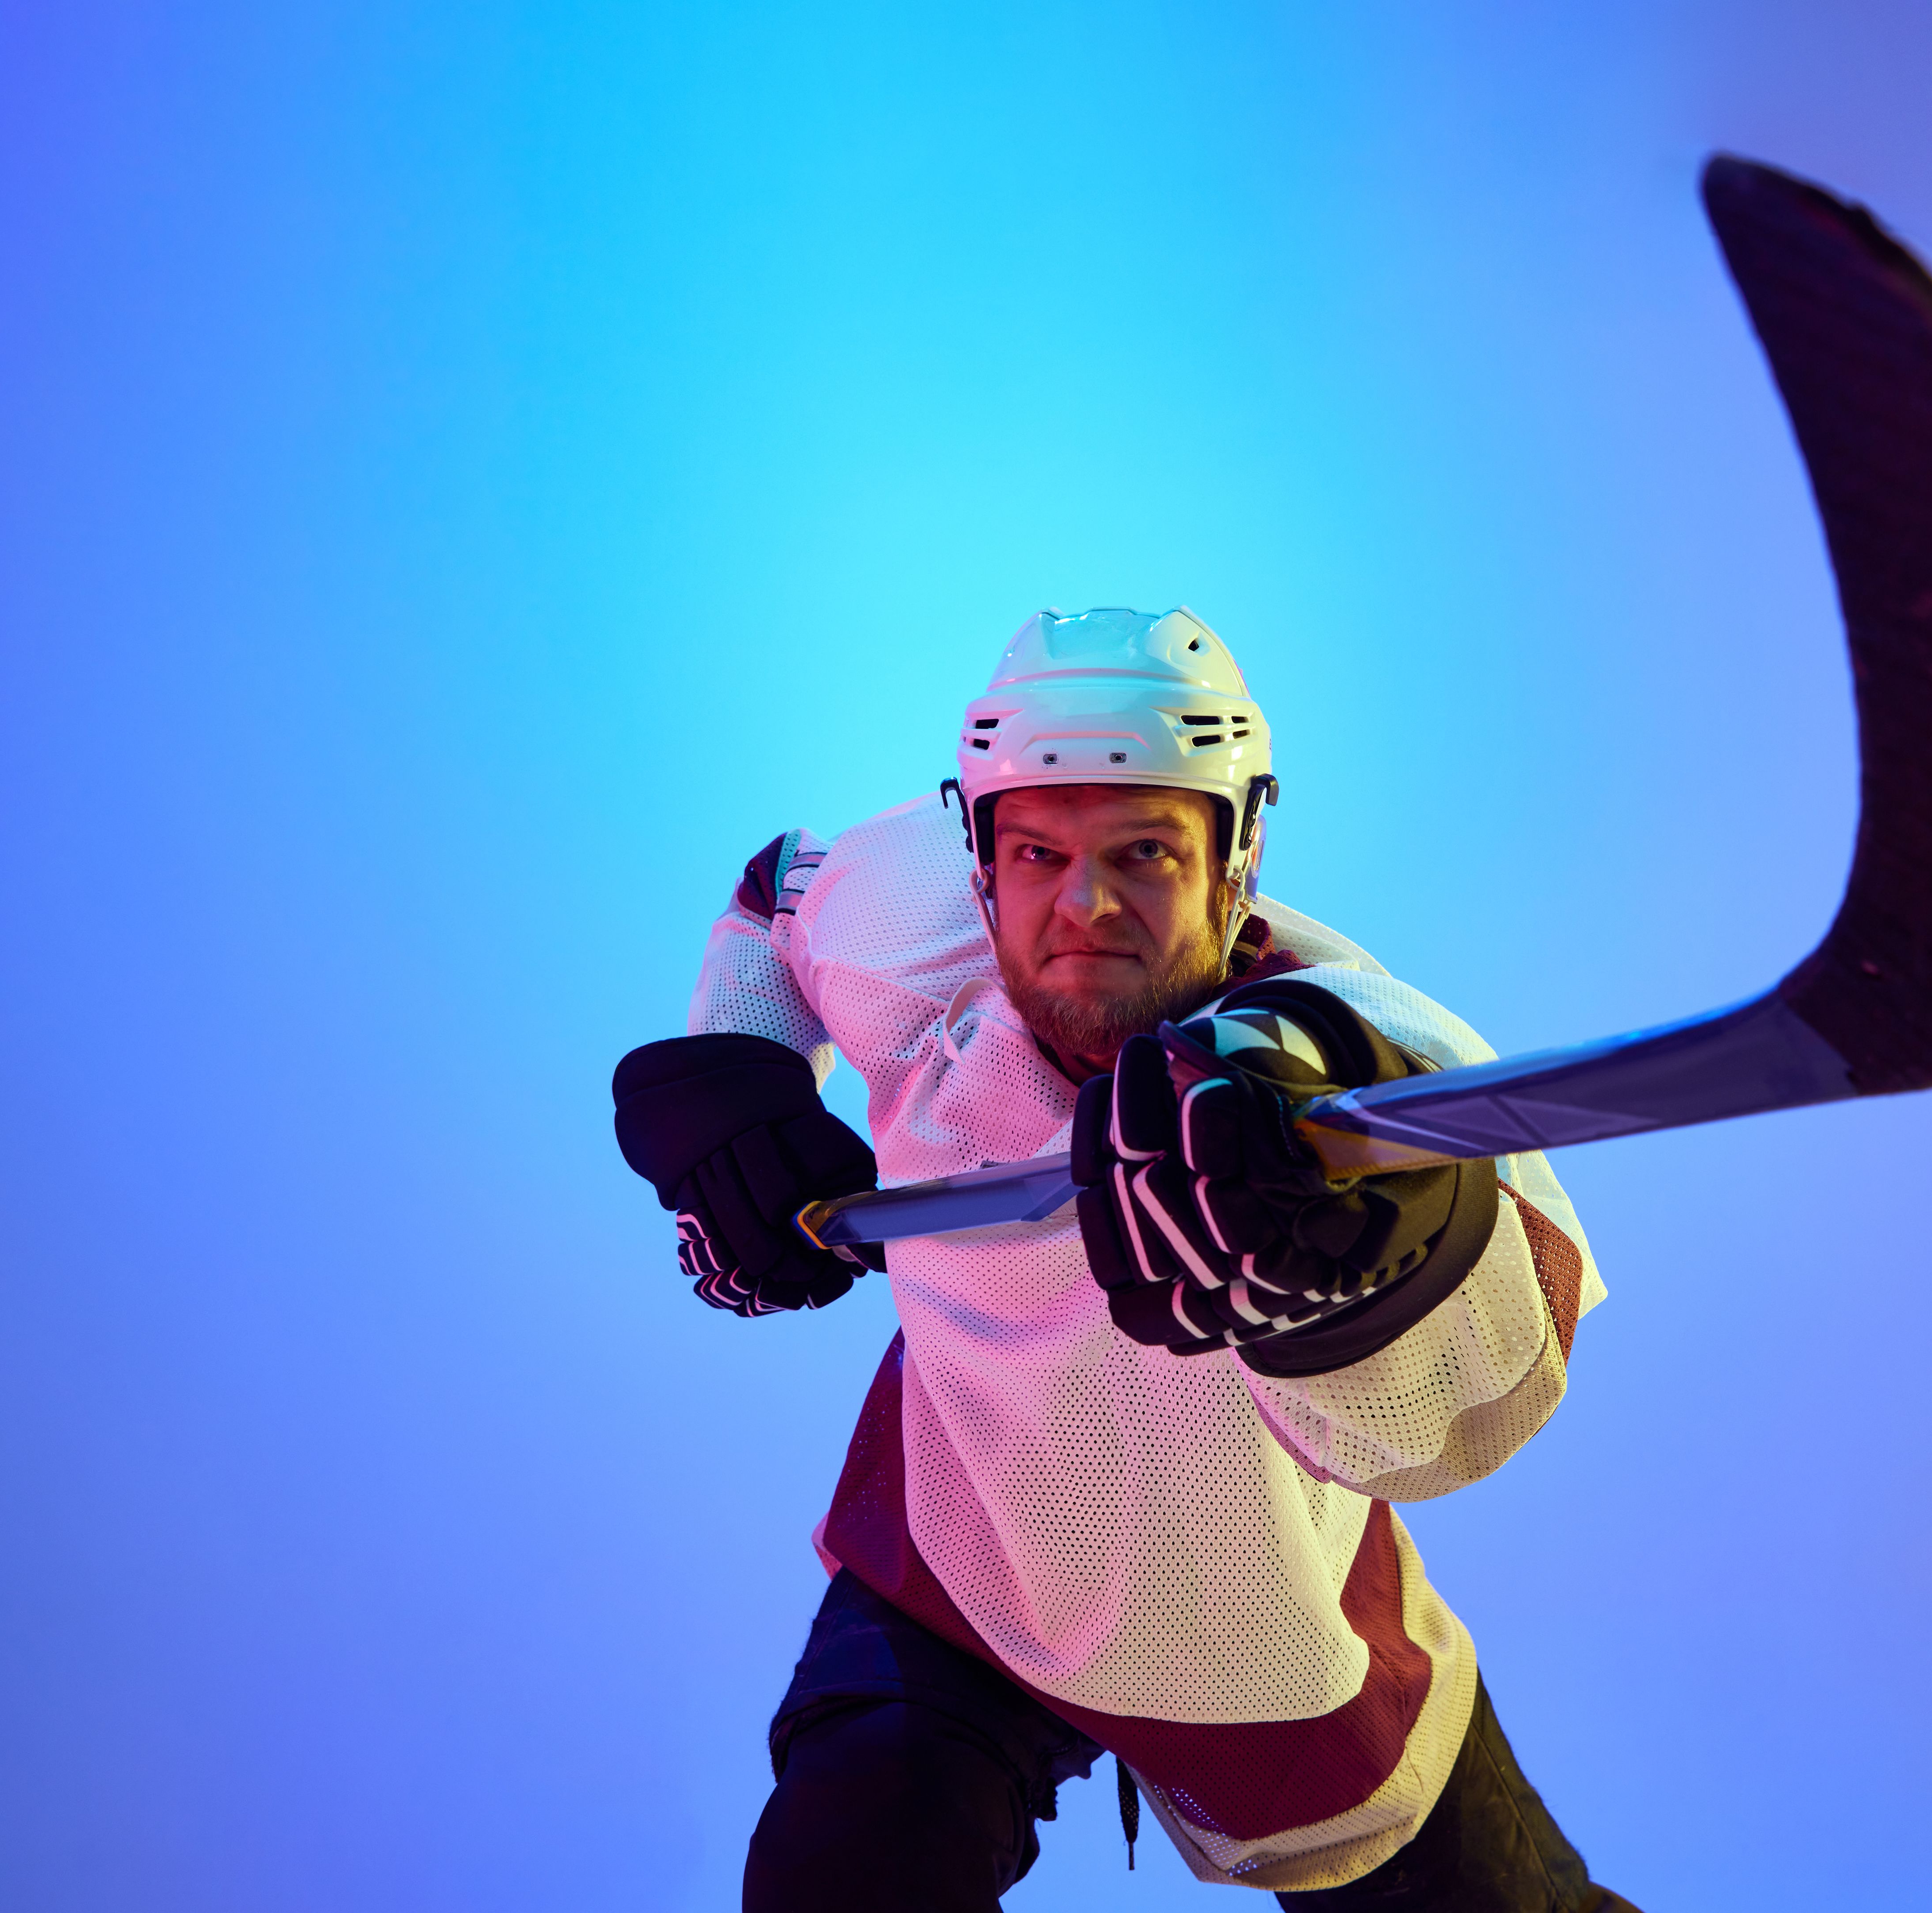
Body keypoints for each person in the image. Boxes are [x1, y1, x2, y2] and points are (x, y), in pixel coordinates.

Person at [613, 608, 1636, 1911]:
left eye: (1145, 852)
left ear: (1238, 858)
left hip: (1263, 1641)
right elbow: (776, 899)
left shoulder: (1376, 1071)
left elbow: (1466, 1426)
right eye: (1039, 854)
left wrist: (1355, 1267)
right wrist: (743, 1082)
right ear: (979, 857)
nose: (1083, 904)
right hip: (960, 1562)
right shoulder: (913, 921)